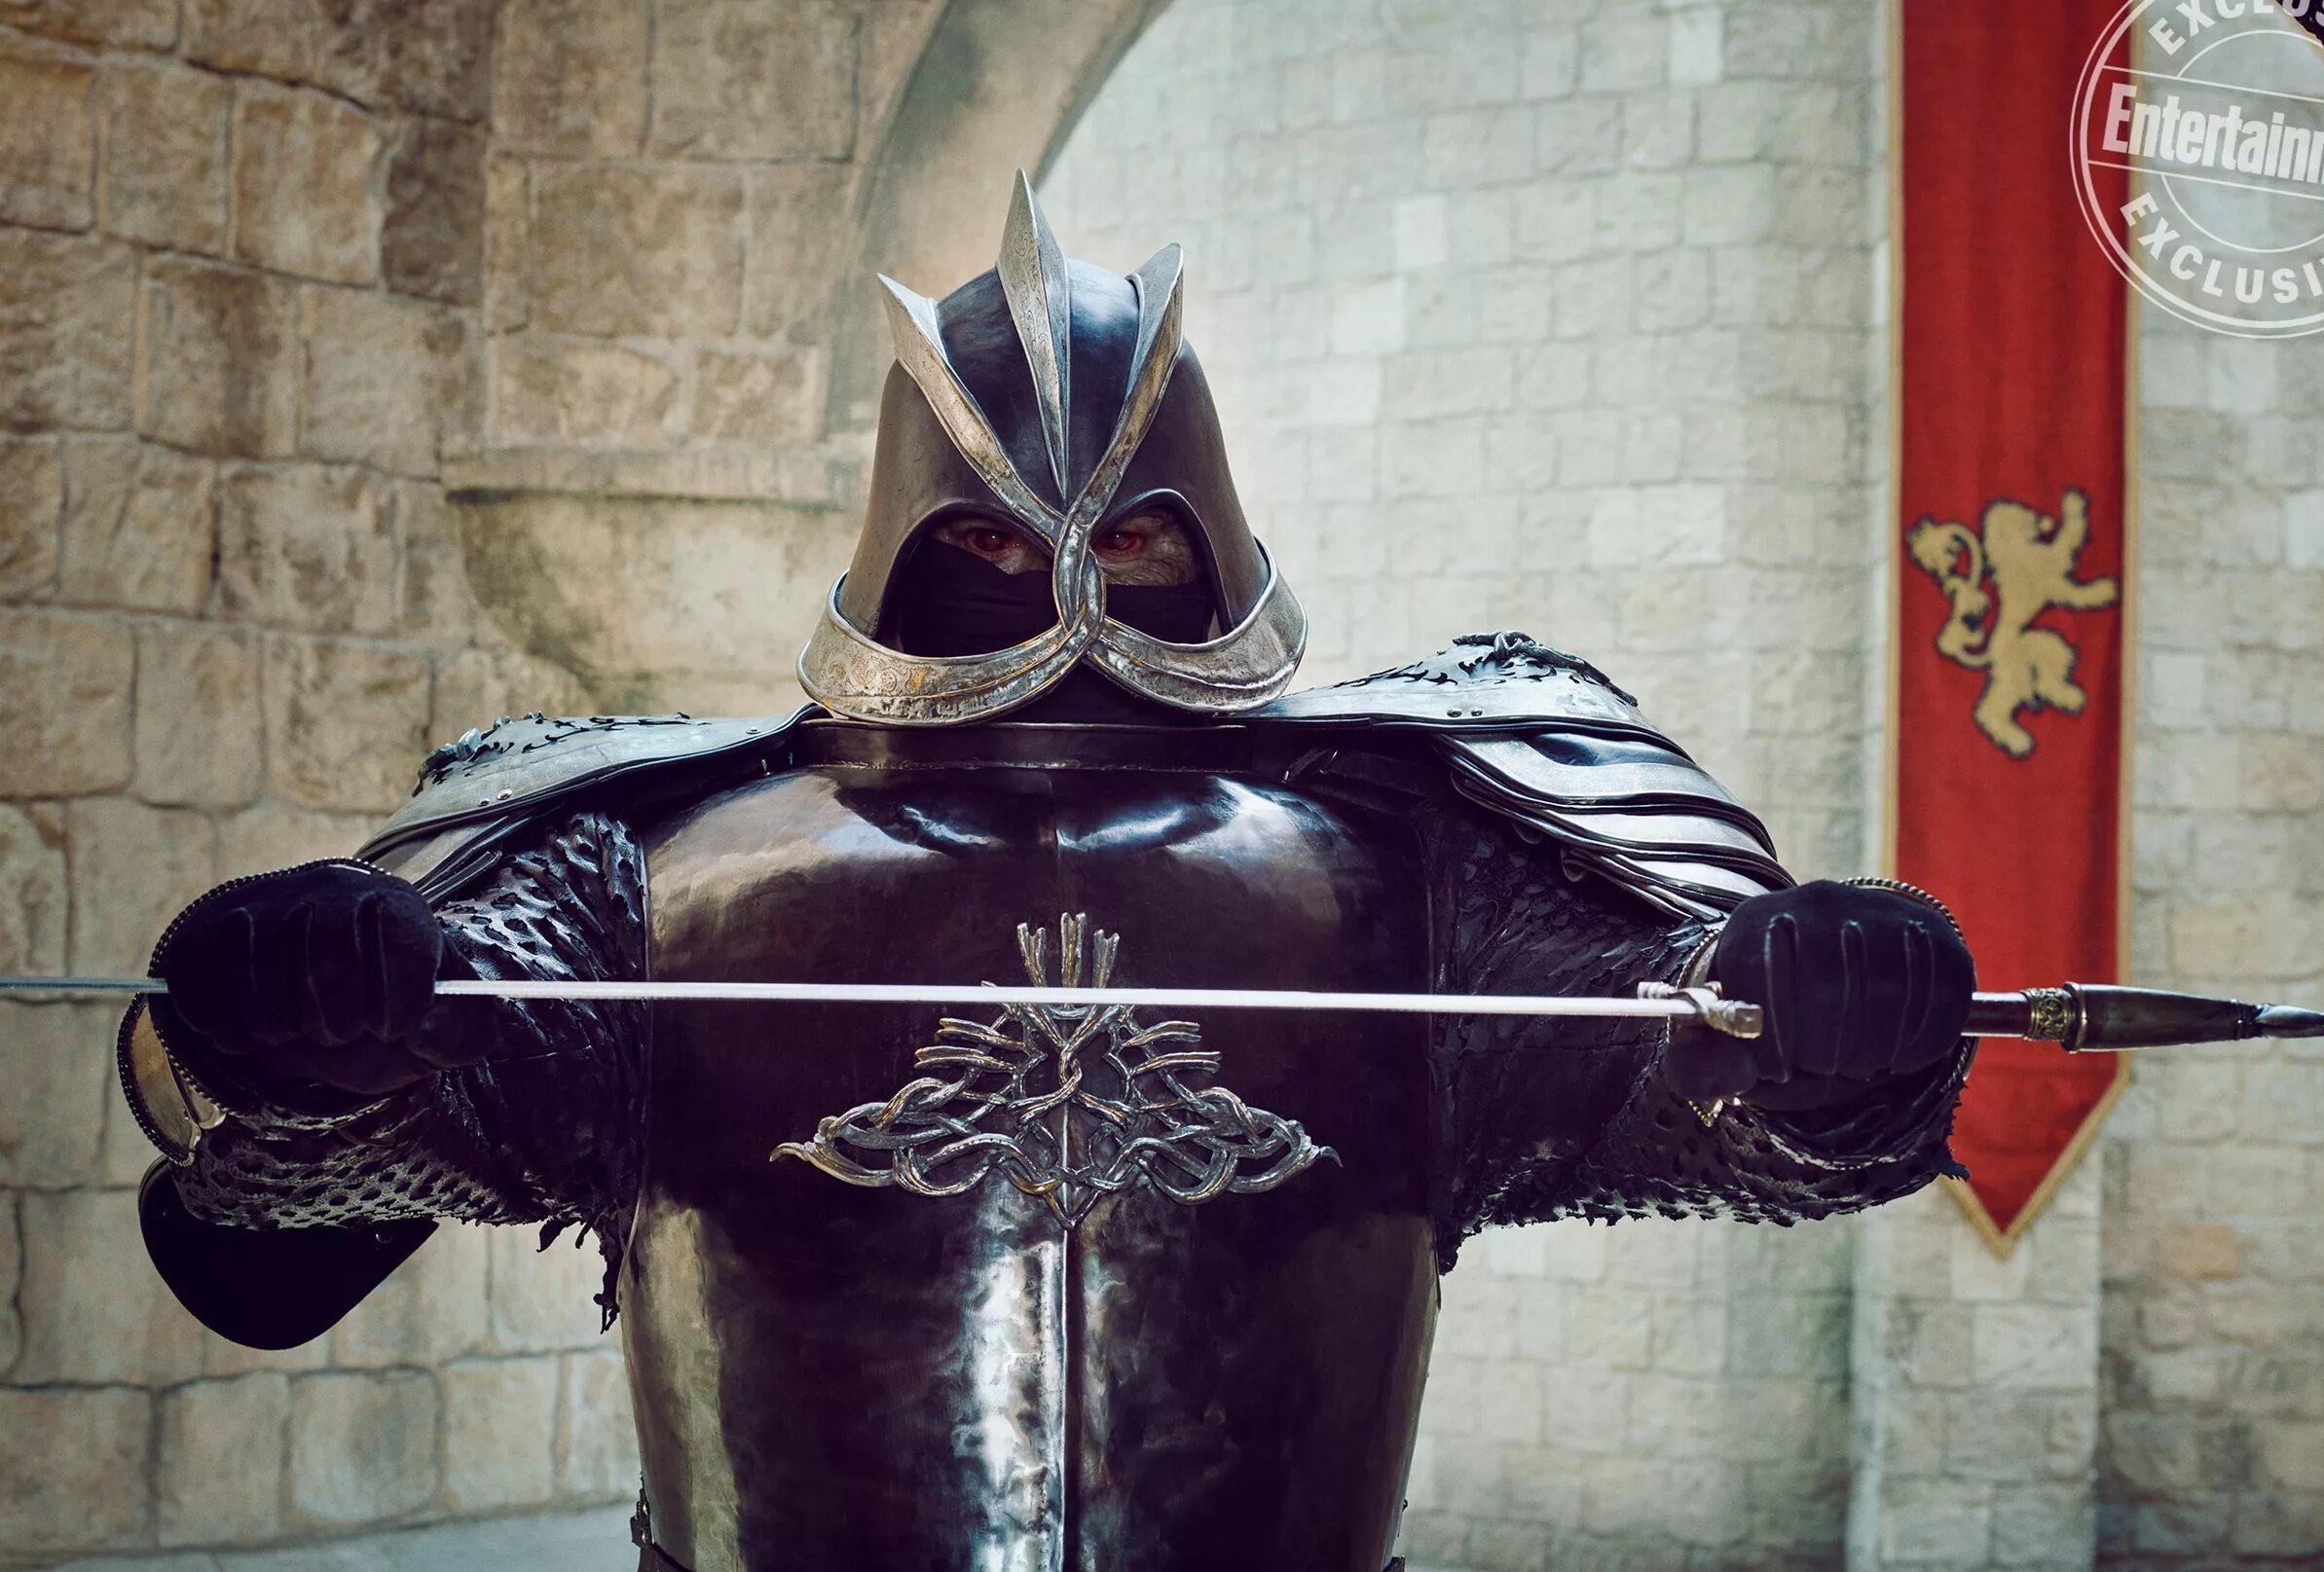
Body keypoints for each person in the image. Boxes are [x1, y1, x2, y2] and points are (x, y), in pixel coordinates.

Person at [123, 179, 1974, 1572]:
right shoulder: (653, 852)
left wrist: (1807, 1027)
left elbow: (1695, 1090)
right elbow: (286, 1222)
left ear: (1213, 520)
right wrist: (323, 1029)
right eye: (996, 544)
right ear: (903, 525)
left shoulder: (1415, 855)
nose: (1072, 592)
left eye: (1133, 535)